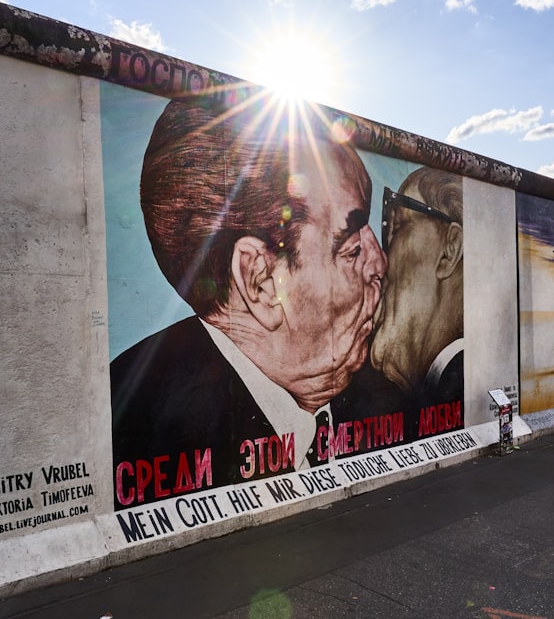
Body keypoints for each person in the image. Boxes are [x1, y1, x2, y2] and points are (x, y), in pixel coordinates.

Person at [110, 99, 390, 509]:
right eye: (350, 250)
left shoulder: (383, 399)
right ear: (259, 281)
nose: (379, 262)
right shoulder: (134, 429)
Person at [369, 167, 464, 440]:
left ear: (449, 250)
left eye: (397, 226)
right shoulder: (435, 384)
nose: (380, 259)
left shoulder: (460, 381)